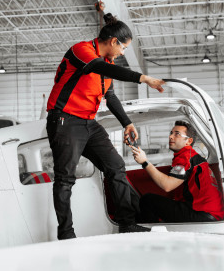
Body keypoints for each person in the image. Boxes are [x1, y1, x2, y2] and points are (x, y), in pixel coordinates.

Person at [46, 13, 165, 239]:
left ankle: (127, 223)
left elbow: (110, 98)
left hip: (88, 123)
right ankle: (66, 234)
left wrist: (127, 123)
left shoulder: (107, 65)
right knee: (65, 178)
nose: (123, 52)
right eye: (123, 47)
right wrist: (144, 78)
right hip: (65, 120)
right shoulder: (82, 52)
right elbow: (103, 69)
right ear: (113, 42)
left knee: (116, 166)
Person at [130, 120, 224, 223]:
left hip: (202, 214)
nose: (171, 137)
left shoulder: (185, 157)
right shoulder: (192, 156)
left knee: (147, 200)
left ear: (189, 141)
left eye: (177, 134)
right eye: (171, 133)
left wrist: (145, 162)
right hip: (212, 213)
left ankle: (151, 235)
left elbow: (167, 185)